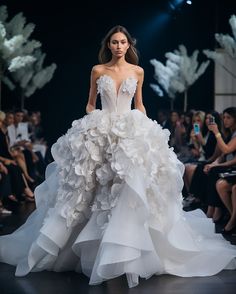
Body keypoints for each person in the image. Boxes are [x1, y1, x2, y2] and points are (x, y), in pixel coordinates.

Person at [0, 25, 236, 289]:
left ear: (129, 45)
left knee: (127, 186)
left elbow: (139, 104)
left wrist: (147, 129)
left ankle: (125, 249)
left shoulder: (138, 71)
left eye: (123, 42)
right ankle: (96, 247)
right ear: (108, 45)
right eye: (114, 42)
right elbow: (90, 103)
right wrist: (93, 119)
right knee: (93, 187)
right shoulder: (98, 70)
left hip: (130, 132)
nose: (119, 46)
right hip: (102, 129)